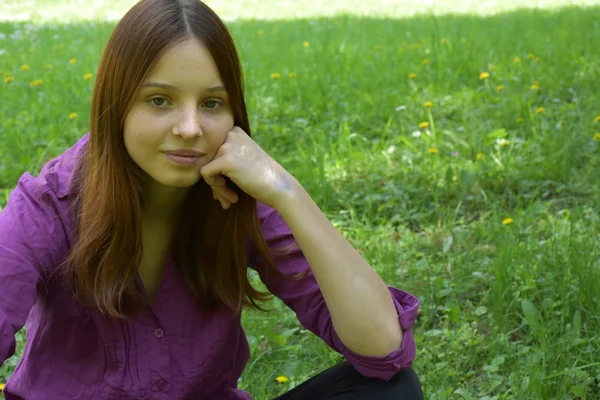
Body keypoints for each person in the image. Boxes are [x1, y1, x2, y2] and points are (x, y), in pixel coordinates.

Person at [0, 0, 423, 398]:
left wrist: (286, 191)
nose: (190, 127)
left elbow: (382, 346)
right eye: (159, 100)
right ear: (117, 107)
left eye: (211, 103)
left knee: (390, 391)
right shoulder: (49, 205)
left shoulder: (241, 195)